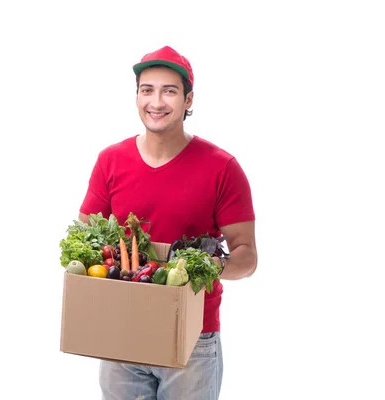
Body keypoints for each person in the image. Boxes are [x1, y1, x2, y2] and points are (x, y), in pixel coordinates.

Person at [77, 45, 258, 400]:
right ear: (136, 97)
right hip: (122, 337)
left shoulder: (222, 167)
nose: (156, 101)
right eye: (147, 90)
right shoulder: (110, 161)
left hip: (192, 339)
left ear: (189, 100)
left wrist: (205, 265)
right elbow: (88, 241)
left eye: (169, 91)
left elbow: (247, 257)